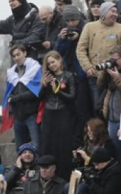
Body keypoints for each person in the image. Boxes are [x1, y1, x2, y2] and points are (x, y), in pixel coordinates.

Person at [76, 2, 121, 113]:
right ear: (104, 12)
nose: (115, 14)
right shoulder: (89, 27)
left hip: (114, 76)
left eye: (116, 12)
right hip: (95, 76)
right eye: (112, 11)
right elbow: (80, 49)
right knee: (97, 108)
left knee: (113, 109)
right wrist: (87, 67)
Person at [55, 4, 91, 146]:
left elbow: (87, 49)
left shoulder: (86, 28)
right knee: (70, 111)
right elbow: (58, 53)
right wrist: (62, 39)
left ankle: (84, 141)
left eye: (73, 20)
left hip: (81, 76)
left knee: (82, 111)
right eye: (68, 21)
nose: (71, 24)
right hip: (68, 75)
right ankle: (74, 142)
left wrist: (78, 38)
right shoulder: (64, 32)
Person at [39, 50, 76, 180]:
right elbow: (40, 97)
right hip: (50, 112)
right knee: (48, 143)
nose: (52, 65)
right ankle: (47, 174)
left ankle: (64, 175)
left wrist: (57, 89)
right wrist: (44, 84)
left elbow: (71, 97)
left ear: (59, 61)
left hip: (63, 111)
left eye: (53, 62)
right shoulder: (48, 76)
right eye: (49, 64)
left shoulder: (68, 76)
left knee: (63, 144)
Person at [3, 44, 42, 150]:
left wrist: (16, 98)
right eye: (14, 56)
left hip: (31, 114)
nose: (16, 58)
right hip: (17, 116)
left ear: (25, 53)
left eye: (18, 54)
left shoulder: (35, 68)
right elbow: (9, 92)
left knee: (36, 146)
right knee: (19, 148)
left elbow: (36, 92)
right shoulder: (11, 73)